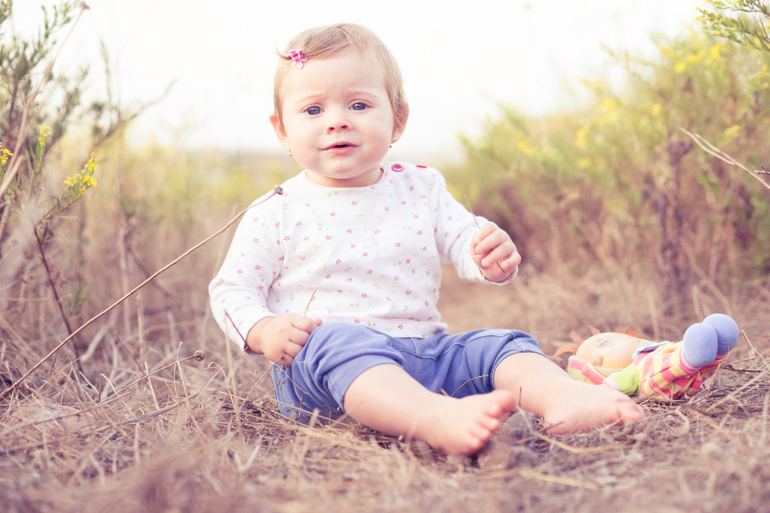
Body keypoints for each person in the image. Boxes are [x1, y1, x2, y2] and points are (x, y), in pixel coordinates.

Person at [209, 23, 645, 457]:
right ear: (282, 130)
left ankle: (561, 397)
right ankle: (436, 418)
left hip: (424, 355)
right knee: (335, 340)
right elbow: (232, 289)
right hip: (324, 375)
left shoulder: (421, 187)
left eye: (359, 104)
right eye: (312, 110)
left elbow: (462, 236)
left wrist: (485, 254)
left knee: (499, 345)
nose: (337, 121)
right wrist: (264, 330)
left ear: (397, 120)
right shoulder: (277, 209)